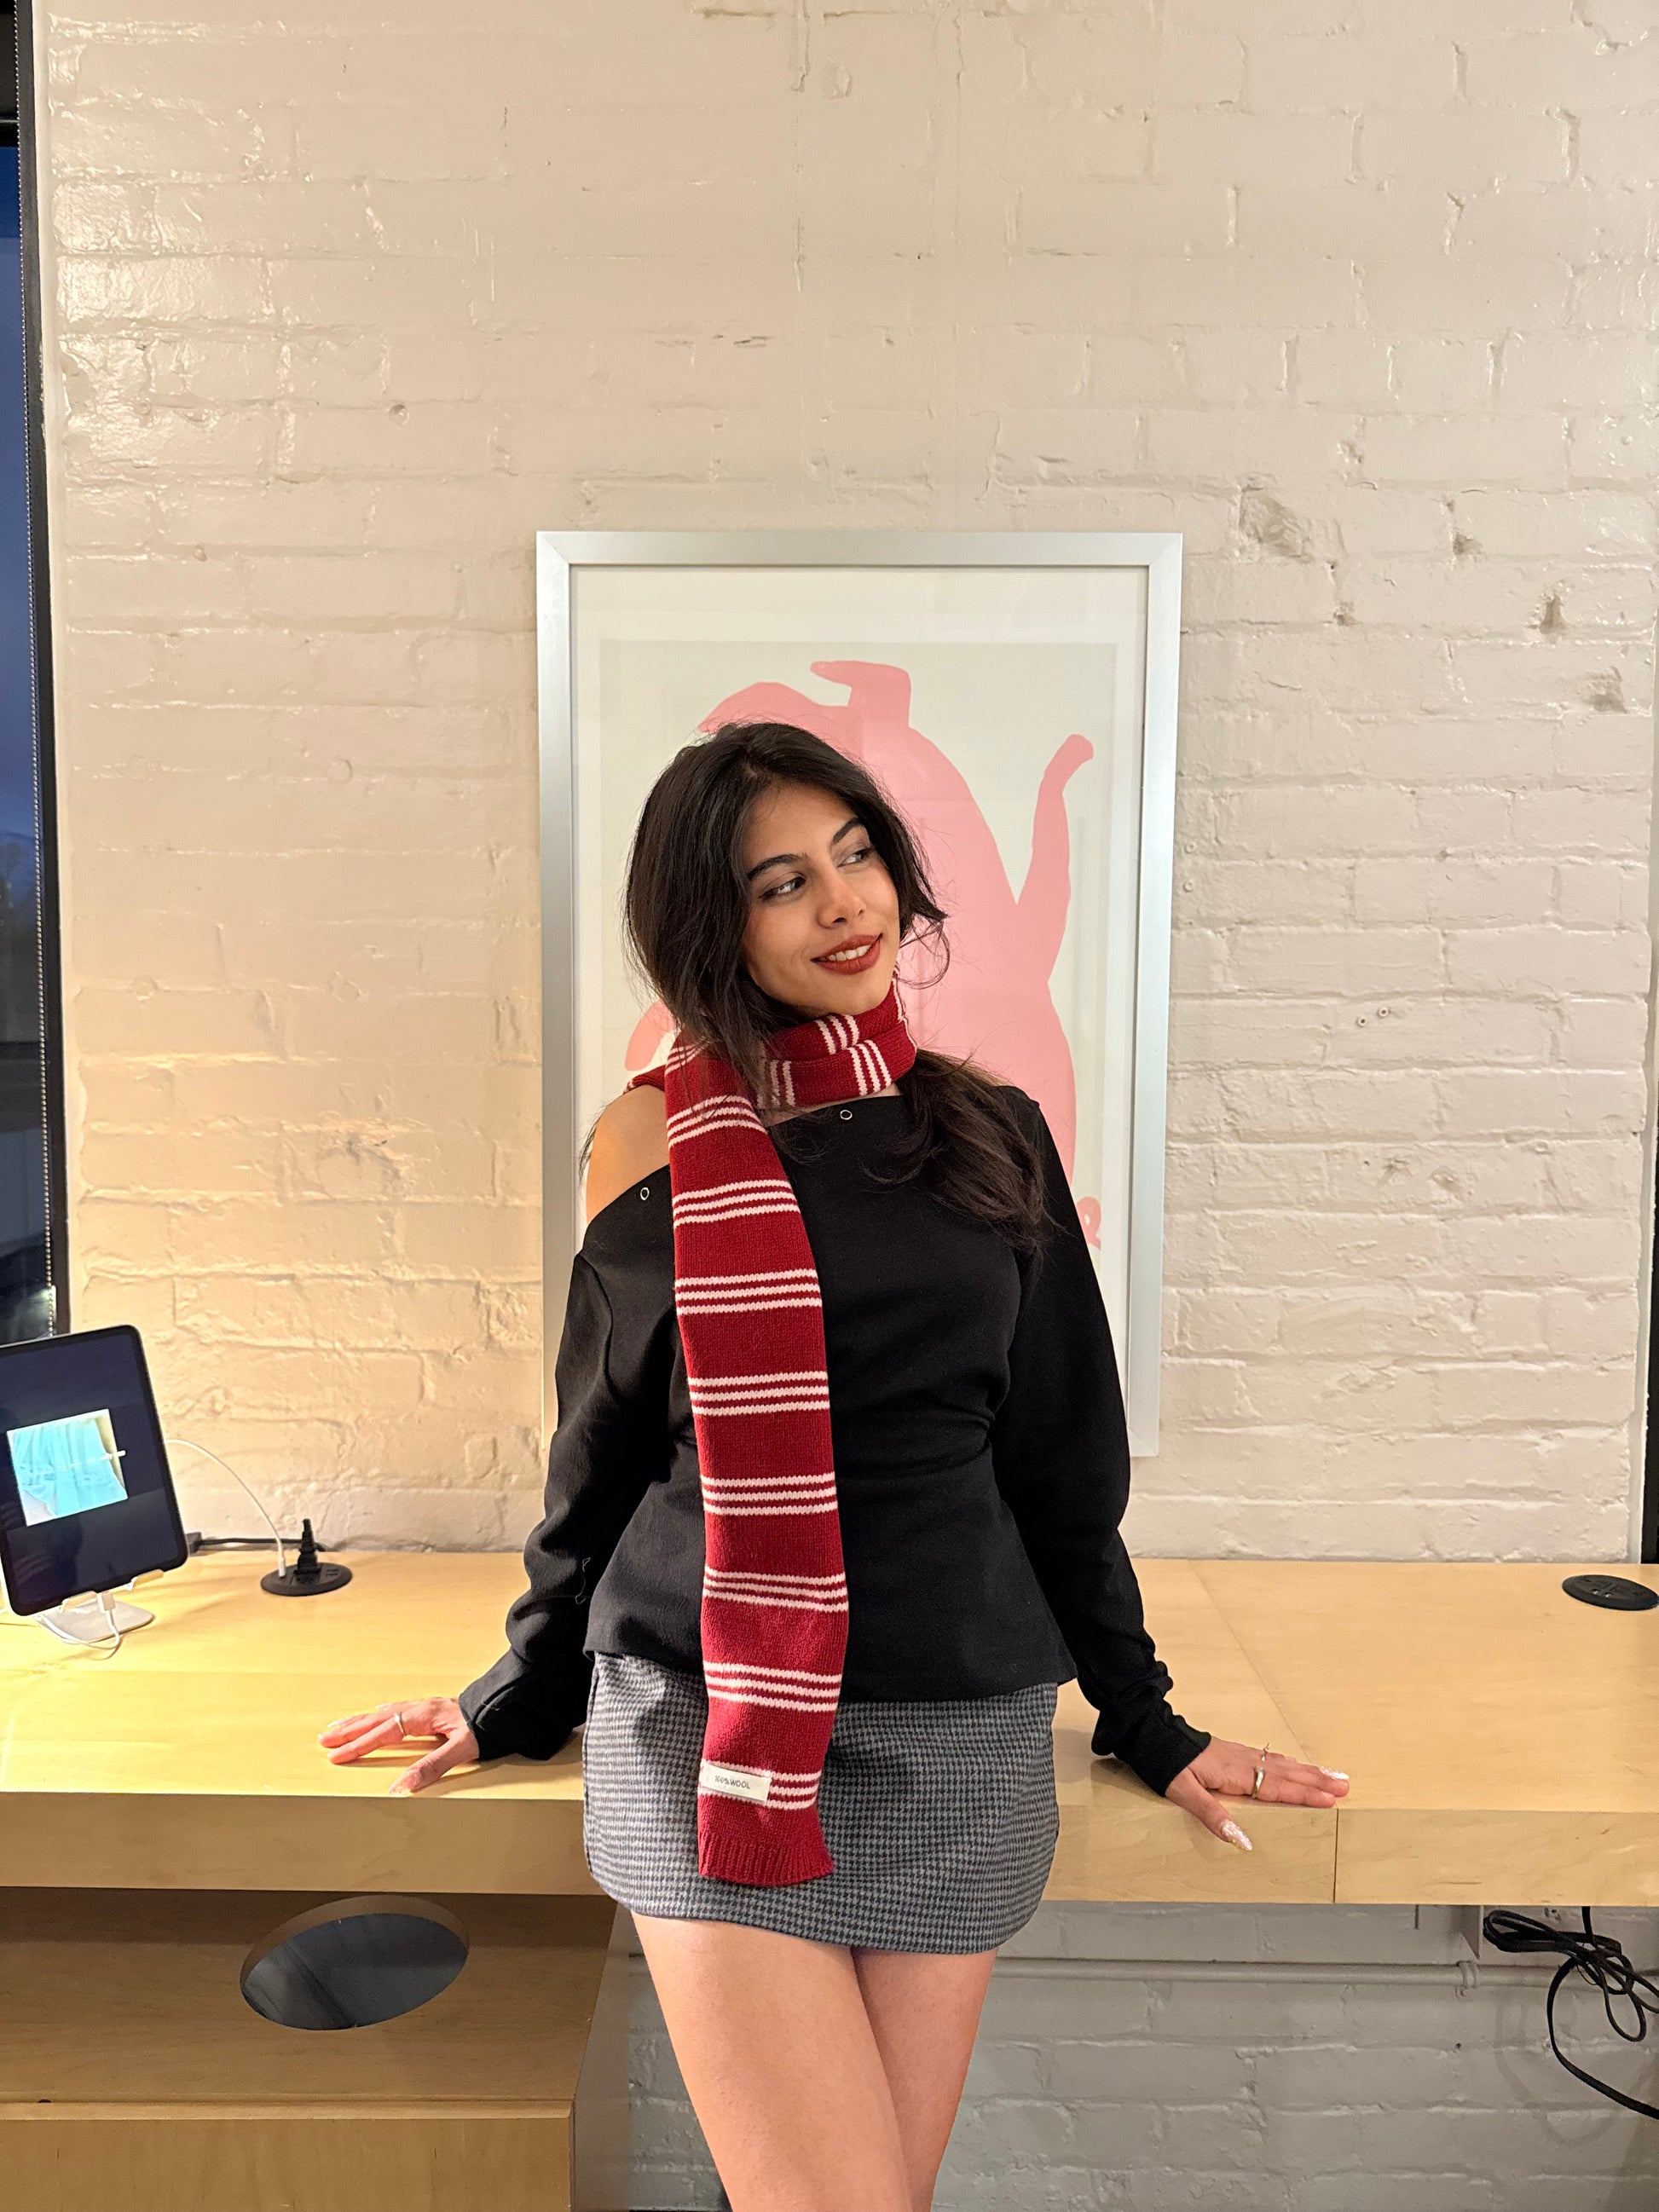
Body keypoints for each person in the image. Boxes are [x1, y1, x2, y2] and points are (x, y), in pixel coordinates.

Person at [317, 721, 1350, 2212]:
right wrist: (523, 1686)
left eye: (855, 854)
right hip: (706, 1719)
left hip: (955, 1727)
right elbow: (601, 1449)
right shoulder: (647, 1141)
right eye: (782, 882)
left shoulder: (989, 1132)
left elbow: (1062, 1466)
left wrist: (1143, 1714)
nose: (845, 902)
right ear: (712, 926)